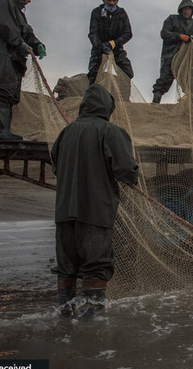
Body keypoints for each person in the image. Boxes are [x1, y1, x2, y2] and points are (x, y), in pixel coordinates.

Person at [51, 83, 139, 319]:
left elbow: (56, 167)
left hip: (64, 215)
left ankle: (65, 320)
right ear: (107, 107)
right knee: (96, 267)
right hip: (95, 213)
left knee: (66, 267)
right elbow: (126, 170)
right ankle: (92, 329)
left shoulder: (65, 133)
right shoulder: (111, 132)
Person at [0, 0, 46, 140]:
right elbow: (8, 30)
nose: (30, 0)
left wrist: (37, 43)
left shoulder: (18, 13)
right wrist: (21, 45)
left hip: (12, 55)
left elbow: (26, 31)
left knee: (9, 93)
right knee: (1, 91)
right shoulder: (3, 5)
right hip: (1, 53)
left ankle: (3, 130)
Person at [152, 0, 193, 104]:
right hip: (170, 56)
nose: (187, 11)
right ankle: (155, 103)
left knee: (191, 83)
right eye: (184, 9)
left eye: (189, 9)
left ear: (192, 11)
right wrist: (180, 36)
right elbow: (164, 33)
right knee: (164, 79)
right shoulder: (172, 19)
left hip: (186, 59)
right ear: (181, 10)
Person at [87, 0, 134, 85]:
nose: (112, 3)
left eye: (114, 0)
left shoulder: (121, 13)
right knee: (93, 74)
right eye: (109, 0)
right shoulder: (96, 12)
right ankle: (93, 96)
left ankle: (124, 97)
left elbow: (128, 33)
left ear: (117, 0)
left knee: (127, 72)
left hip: (116, 48)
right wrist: (101, 46)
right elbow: (93, 33)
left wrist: (113, 43)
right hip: (99, 49)